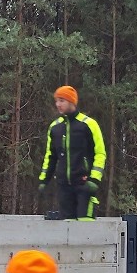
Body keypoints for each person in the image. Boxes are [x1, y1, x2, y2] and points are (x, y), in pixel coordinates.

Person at [38, 86, 106, 221]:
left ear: (72, 102)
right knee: (67, 229)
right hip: (64, 187)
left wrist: (94, 179)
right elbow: (50, 157)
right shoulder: (55, 127)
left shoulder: (89, 124)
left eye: (62, 100)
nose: (58, 104)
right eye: (56, 101)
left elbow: (100, 153)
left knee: (85, 227)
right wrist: (44, 180)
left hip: (84, 184)